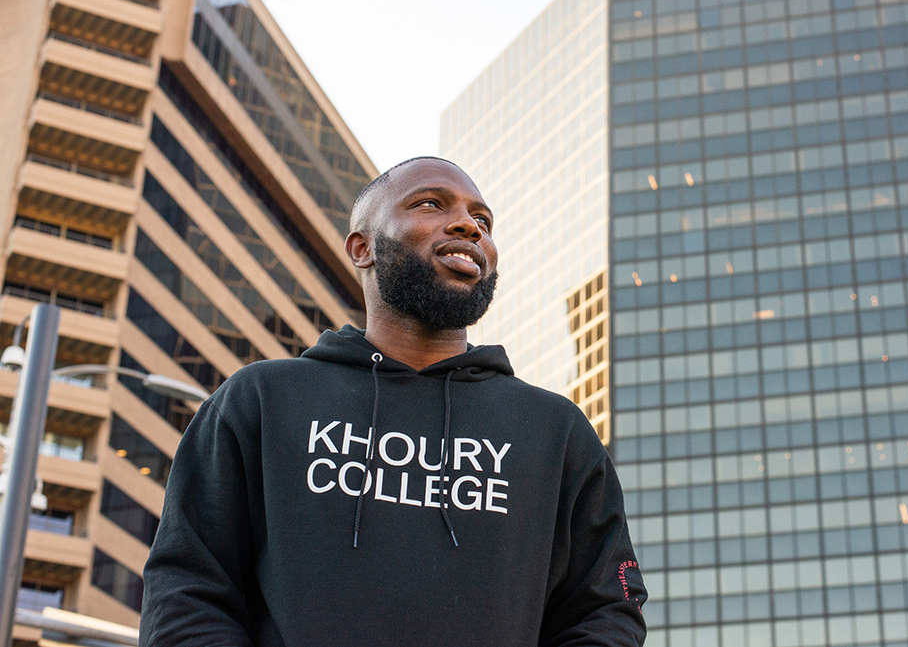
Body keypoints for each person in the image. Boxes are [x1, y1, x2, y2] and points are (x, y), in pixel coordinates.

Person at [139, 157, 647, 646]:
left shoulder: (556, 431)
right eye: (430, 204)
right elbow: (187, 589)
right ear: (363, 248)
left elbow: (604, 612)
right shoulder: (261, 400)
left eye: (483, 219)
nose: (469, 227)